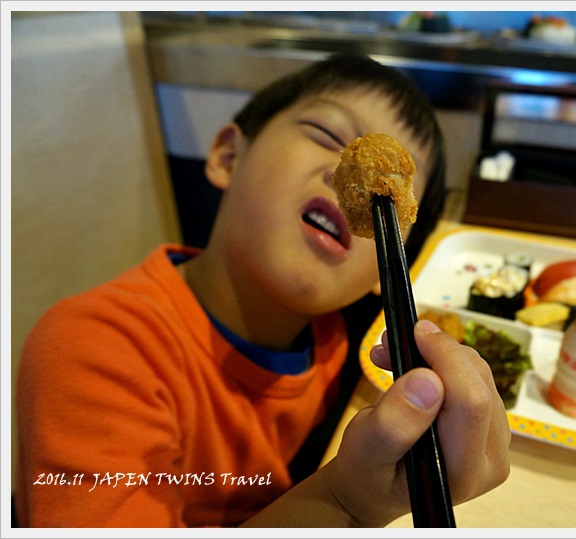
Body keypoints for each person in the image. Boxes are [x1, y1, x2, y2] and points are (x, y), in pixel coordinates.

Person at [14, 53, 511, 527]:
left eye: (397, 192)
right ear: (229, 156)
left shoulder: (337, 343)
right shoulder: (97, 348)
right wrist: (347, 505)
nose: (345, 176)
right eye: (325, 133)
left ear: (389, 270)